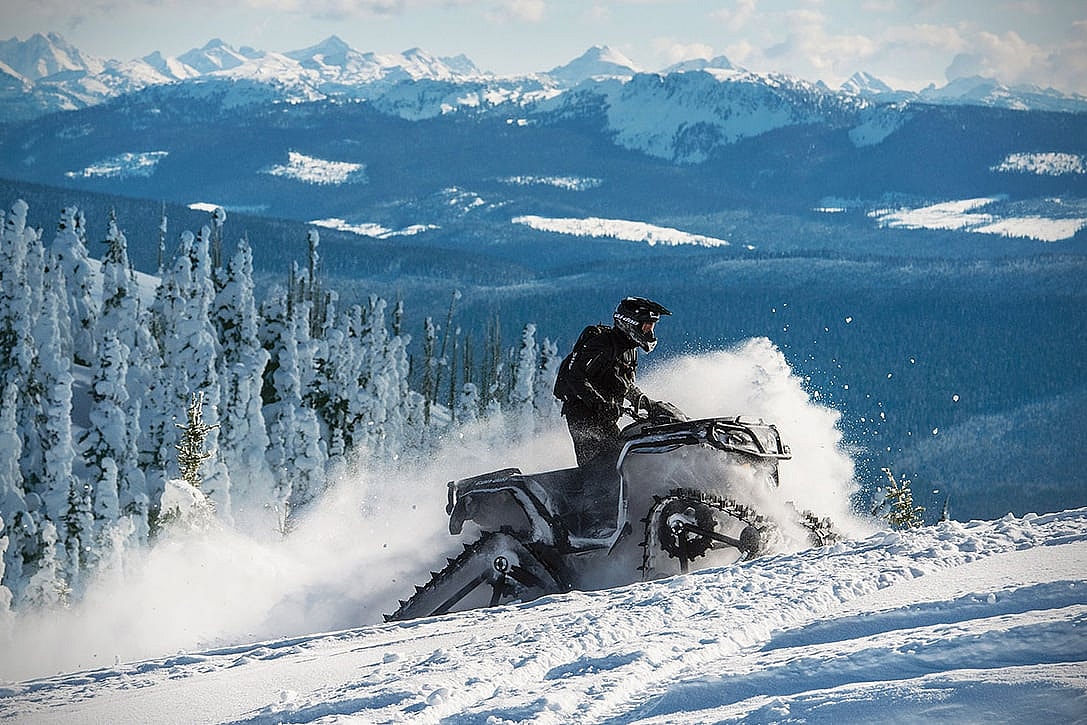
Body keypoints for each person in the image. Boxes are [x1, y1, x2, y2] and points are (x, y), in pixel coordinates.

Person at [553, 296, 671, 471]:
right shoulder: (603, 343)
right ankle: (589, 495)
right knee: (601, 468)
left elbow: (625, 384)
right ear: (630, 322)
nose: (649, 331)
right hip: (583, 415)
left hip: (605, 416)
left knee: (624, 458)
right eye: (646, 325)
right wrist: (600, 403)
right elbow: (575, 376)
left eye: (652, 326)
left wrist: (646, 402)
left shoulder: (629, 349)